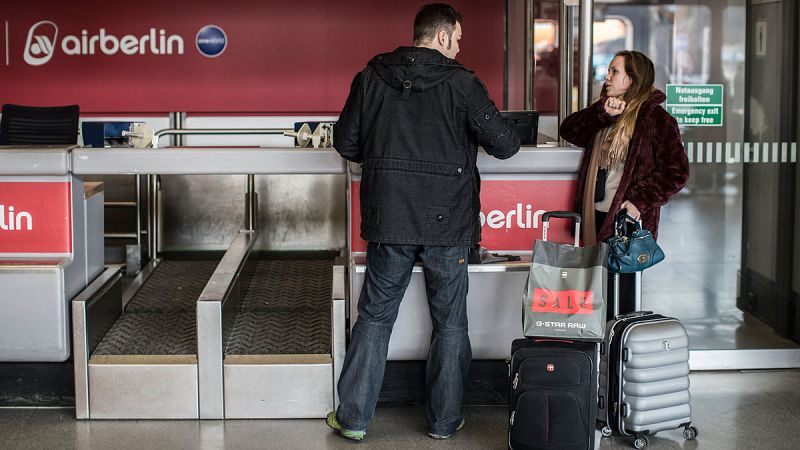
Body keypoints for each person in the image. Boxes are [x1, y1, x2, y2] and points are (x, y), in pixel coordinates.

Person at [327, 3, 520, 441]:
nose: (459, 46)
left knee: (375, 318)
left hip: (388, 217)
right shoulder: (463, 84)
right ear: (444, 35)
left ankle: (354, 418)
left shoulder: (371, 77)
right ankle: (445, 420)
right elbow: (505, 146)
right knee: (450, 322)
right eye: (459, 38)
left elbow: (347, 143)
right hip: (447, 223)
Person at [559, 50, 689, 316]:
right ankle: (598, 350)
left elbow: (676, 172)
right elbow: (569, 130)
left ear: (632, 79)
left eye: (614, 71)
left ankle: (618, 348)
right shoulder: (606, 111)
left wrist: (639, 201)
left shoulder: (657, 120)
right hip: (595, 213)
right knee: (594, 290)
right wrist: (600, 113)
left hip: (626, 220)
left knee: (622, 296)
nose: (606, 76)